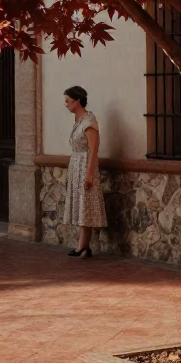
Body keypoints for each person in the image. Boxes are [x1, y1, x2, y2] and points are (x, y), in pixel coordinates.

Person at [61, 85, 106, 258]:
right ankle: (83, 245)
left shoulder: (89, 122)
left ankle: (83, 246)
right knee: (81, 206)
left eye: (68, 100)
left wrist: (89, 174)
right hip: (76, 165)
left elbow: (94, 149)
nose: (65, 104)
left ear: (77, 101)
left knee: (85, 204)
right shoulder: (78, 121)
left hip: (85, 166)